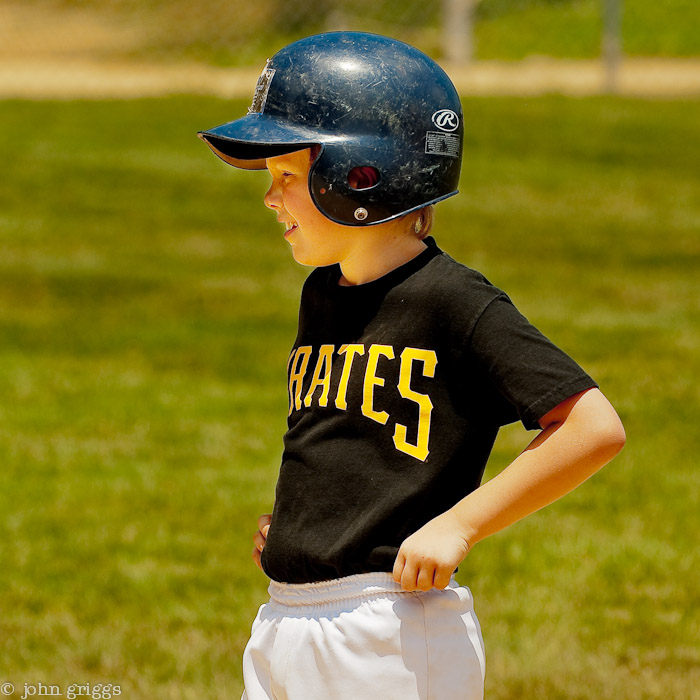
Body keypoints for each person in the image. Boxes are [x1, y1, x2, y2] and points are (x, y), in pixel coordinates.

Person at [198, 31, 626, 700]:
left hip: (388, 627)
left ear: (359, 174)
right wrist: (304, 528)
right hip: (289, 617)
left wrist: (460, 526)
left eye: (287, 175)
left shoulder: (453, 301)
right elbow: (350, 445)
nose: (269, 197)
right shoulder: (324, 292)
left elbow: (592, 427)